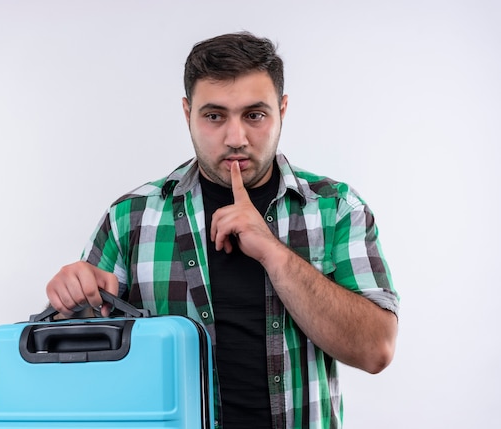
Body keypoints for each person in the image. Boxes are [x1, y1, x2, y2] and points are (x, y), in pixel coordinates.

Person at [46, 32, 399, 428]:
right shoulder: (131, 217)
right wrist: (74, 303)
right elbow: (77, 365)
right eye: (214, 116)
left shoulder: (336, 209)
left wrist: (273, 252)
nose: (236, 139)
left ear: (283, 110)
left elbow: (376, 349)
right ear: (187, 113)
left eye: (255, 115)